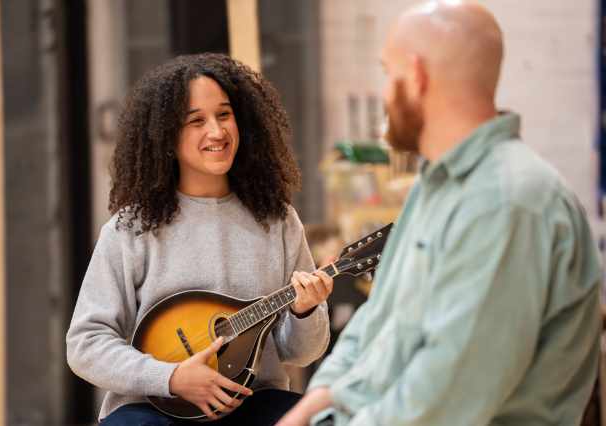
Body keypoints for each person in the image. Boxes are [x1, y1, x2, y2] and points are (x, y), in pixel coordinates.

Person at [278, 1, 602, 425]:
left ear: (416, 76)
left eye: (387, 73)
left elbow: (442, 400)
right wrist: (308, 408)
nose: (383, 95)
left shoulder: (507, 203)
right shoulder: (433, 187)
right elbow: (375, 325)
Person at [66, 53, 332, 426]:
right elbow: (86, 344)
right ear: (167, 137)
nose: (217, 132)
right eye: (196, 121)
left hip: (252, 404)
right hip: (151, 408)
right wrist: (170, 378)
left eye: (224, 115)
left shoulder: (279, 220)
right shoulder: (129, 230)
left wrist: (305, 311)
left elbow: (300, 352)